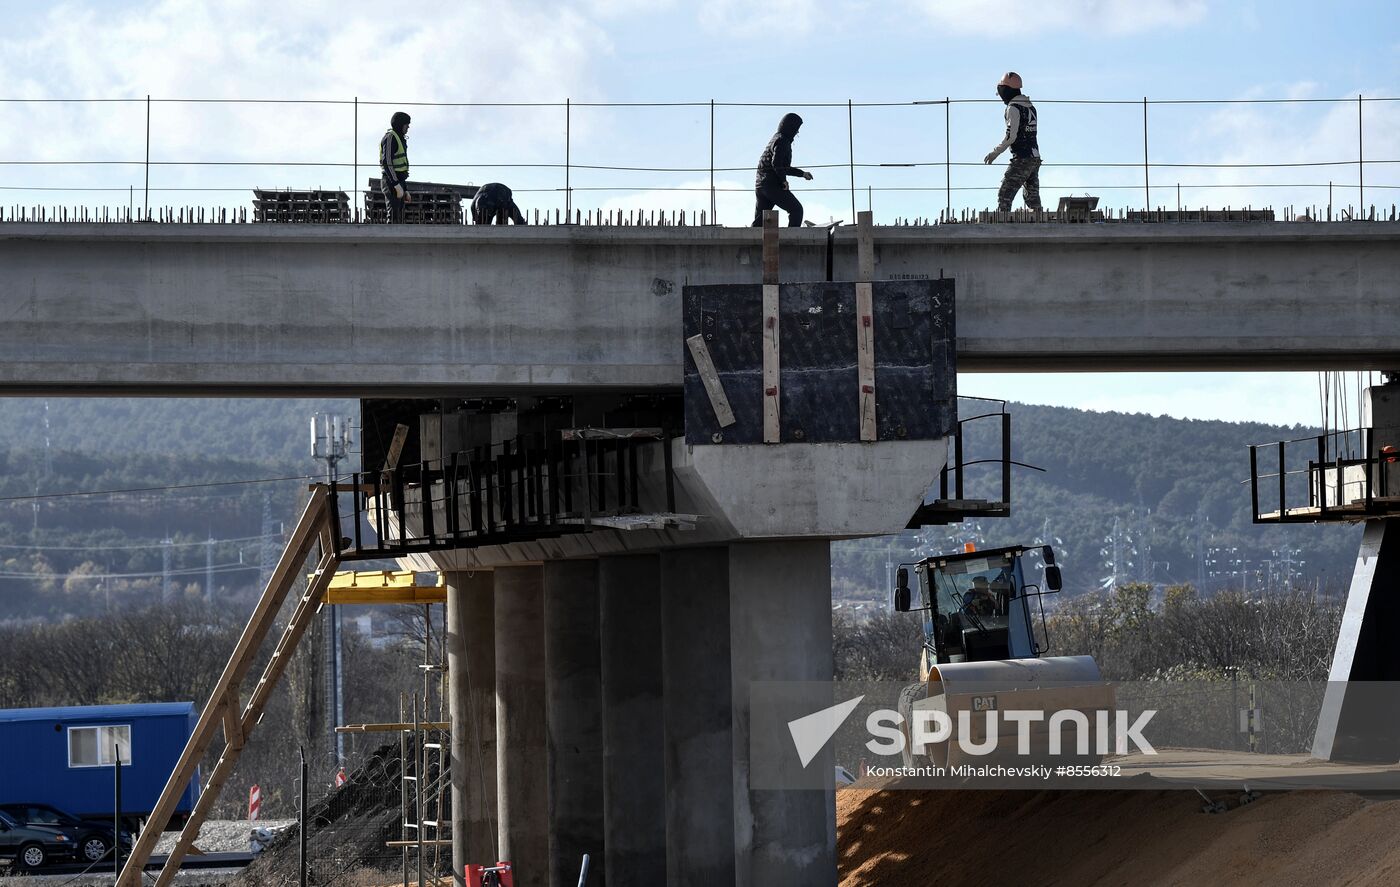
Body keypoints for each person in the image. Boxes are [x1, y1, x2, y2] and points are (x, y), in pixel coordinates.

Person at [983, 72, 1042, 213]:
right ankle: (1040, 227)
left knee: (1005, 194)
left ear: (1006, 90)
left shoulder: (1013, 108)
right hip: (1035, 157)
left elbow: (1011, 136)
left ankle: (1003, 228)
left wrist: (995, 152)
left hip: (1022, 158)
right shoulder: (1030, 107)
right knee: (1032, 198)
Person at [751, 112, 813, 227]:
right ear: (791, 128)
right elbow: (776, 164)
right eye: (797, 129)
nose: (797, 132)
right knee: (796, 210)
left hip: (761, 185)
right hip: (772, 185)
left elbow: (782, 167)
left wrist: (802, 174)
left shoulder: (776, 138)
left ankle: (750, 244)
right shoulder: (783, 140)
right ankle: (792, 241)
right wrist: (783, 181)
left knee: (759, 223)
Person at [379, 111, 412, 223]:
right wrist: (395, 184)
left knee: (399, 215)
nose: (408, 127)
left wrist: (404, 188)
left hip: (399, 181)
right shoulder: (390, 138)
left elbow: (401, 168)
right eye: (406, 124)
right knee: (393, 214)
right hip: (390, 181)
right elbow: (387, 162)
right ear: (400, 124)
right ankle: (390, 239)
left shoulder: (400, 139)